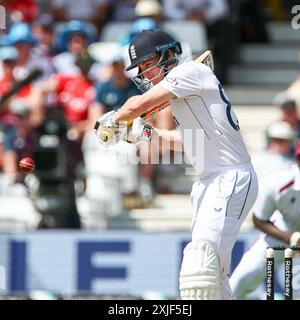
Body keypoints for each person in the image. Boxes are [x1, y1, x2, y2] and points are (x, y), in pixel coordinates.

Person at [95, 29, 258, 299]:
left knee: (200, 271)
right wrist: (150, 134)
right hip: (209, 182)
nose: (145, 74)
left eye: (148, 64)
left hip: (229, 177)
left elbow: (136, 106)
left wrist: (113, 119)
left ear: (169, 54)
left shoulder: (189, 72)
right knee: (213, 278)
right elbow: (191, 141)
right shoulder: (185, 91)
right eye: (141, 68)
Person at [230, 141, 300, 300]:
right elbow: (259, 220)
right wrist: (291, 238)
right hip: (284, 233)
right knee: (240, 280)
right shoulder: (279, 181)